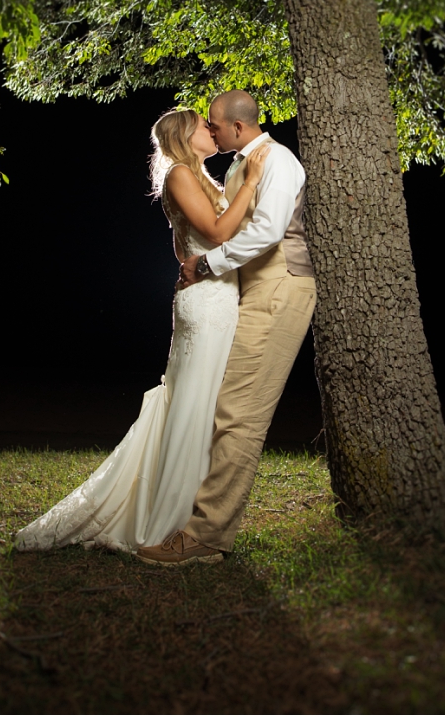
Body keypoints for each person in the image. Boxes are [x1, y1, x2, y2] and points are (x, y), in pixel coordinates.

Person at [14, 109, 269, 553]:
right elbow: (213, 230)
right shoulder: (179, 177)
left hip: (214, 296)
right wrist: (251, 184)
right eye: (202, 127)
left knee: (203, 404)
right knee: (194, 404)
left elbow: (183, 244)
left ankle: (192, 511)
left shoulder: (196, 177)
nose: (211, 130)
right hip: (207, 304)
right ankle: (172, 519)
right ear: (185, 137)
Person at [136, 89, 318, 566]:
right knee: (224, 406)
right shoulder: (239, 163)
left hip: (279, 286)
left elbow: (267, 231)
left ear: (236, 127)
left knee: (238, 413)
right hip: (247, 290)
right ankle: (194, 516)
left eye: (213, 126)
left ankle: (206, 536)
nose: (210, 133)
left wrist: (207, 265)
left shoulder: (276, 160)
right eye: (204, 127)